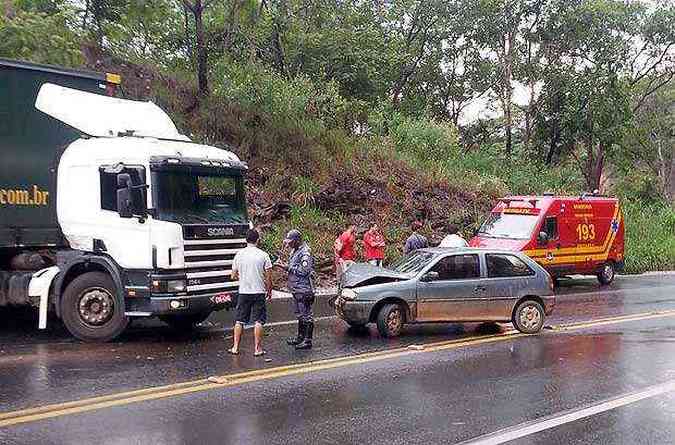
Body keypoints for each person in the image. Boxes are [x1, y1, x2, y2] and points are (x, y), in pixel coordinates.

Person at [229, 229, 273, 357]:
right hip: (258, 291)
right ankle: (257, 348)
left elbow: (232, 275)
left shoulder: (239, 254)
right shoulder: (263, 255)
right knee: (258, 320)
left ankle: (235, 347)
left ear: (246, 240)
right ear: (258, 240)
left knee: (239, 320)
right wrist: (269, 291)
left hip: (244, 291)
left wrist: (242, 278)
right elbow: (269, 277)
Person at [275, 229, 315, 350]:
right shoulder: (295, 250)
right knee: (299, 314)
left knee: (306, 314)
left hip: (304, 289)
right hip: (296, 288)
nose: (288, 244)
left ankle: (307, 340)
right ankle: (300, 337)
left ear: (297, 241)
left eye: (290, 242)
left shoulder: (305, 253)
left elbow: (304, 271)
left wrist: (287, 268)